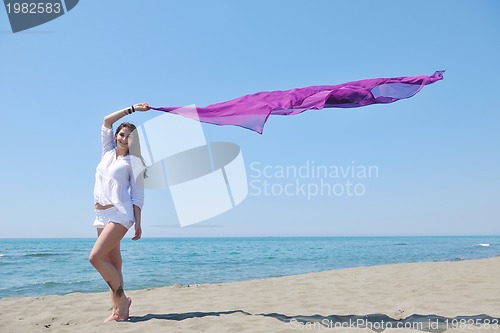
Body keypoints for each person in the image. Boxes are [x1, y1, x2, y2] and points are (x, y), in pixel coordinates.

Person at [89, 102, 150, 322]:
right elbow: (106, 120)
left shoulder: (134, 162)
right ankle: (118, 311)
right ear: (116, 136)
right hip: (100, 215)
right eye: (122, 134)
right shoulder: (107, 152)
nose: (124, 139)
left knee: (95, 258)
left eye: (129, 137)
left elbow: (137, 196)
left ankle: (123, 299)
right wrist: (133, 108)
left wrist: (139, 222)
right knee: (114, 265)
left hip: (120, 215)